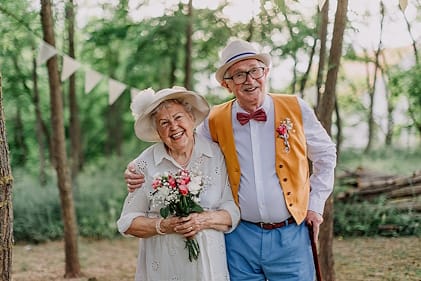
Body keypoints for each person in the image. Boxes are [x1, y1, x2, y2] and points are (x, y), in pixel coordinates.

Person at [124, 39, 337, 281]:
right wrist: (136, 169)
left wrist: (315, 205)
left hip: (291, 233)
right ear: (227, 85)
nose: (249, 79)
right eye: (238, 75)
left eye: (254, 70)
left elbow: (326, 154)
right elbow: (182, 146)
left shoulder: (295, 107)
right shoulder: (214, 119)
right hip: (239, 237)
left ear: (265, 72)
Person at [117, 86, 240, 281]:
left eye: (178, 117)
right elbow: (127, 222)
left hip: (209, 265)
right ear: (157, 131)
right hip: (165, 265)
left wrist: (202, 220)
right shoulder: (144, 164)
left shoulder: (217, 154)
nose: (173, 127)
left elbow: (232, 210)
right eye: (164, 123)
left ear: (192, 119)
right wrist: (164, 225)